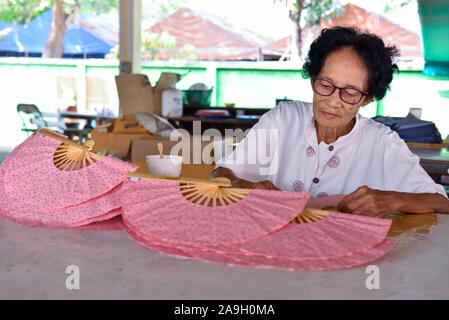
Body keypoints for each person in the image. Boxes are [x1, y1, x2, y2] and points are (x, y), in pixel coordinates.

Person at [211, 26, 449, 217]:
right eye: (326, 85)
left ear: (368, 98)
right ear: (312, 79)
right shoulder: (283, 119)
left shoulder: (382, 142)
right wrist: (243, 185)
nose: (334, 102)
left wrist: (393, 199)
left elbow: (441, 202)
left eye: (350, 93)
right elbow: (220, 174)